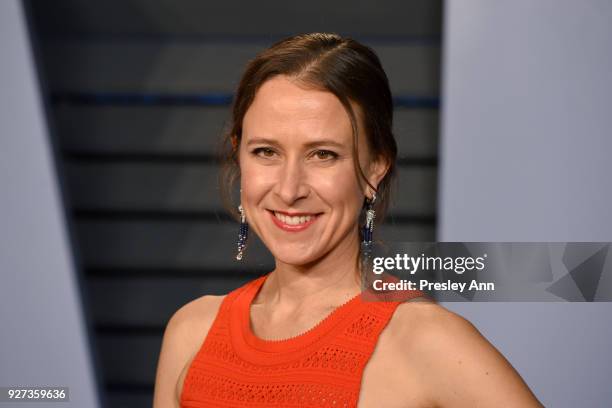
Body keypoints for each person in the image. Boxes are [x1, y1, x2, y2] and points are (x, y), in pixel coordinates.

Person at [153, 33, 543, 407]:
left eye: (323, 154)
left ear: (375, 168)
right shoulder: (192, 331)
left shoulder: (426, 340)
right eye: (266, 151)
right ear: (239, 156)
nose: (290, 190)